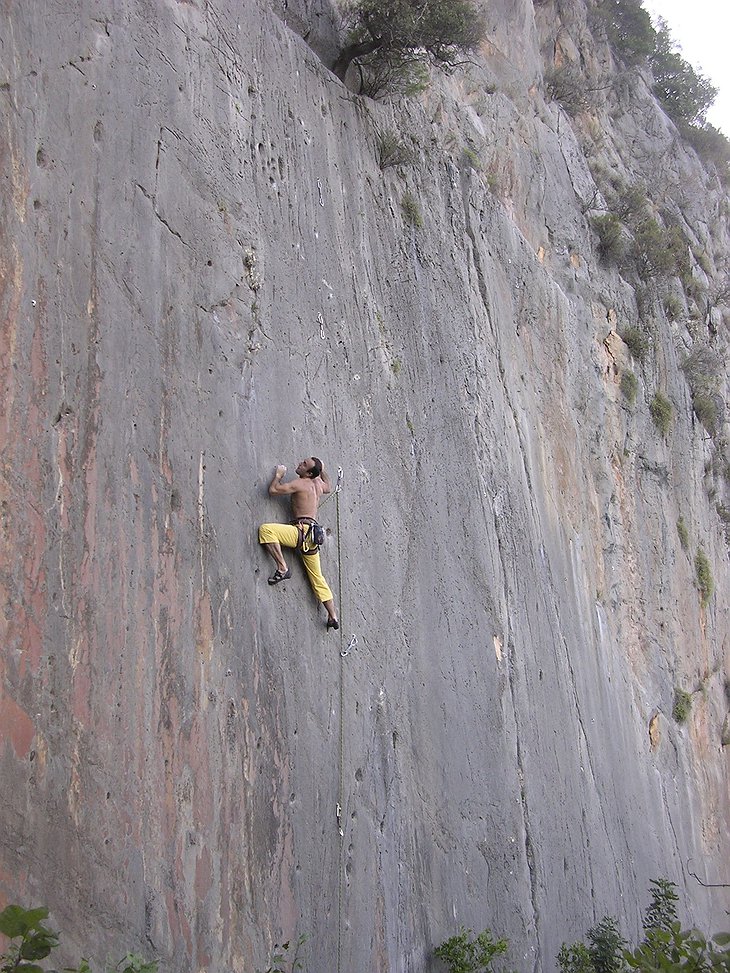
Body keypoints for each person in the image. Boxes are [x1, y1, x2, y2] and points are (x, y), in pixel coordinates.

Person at [259, 457, 339, 630]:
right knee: (318, 579)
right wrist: (322, 469)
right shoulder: (318, 484)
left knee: (266, 530)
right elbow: (329, 487)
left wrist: (278, 475)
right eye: (303, 461)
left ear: (309, 473)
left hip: (300, 533)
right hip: (312, 538)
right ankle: (333, 615)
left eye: (304, 465)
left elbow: (273, 490)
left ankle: (282, 568)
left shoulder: (300, 484)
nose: (300, 464)